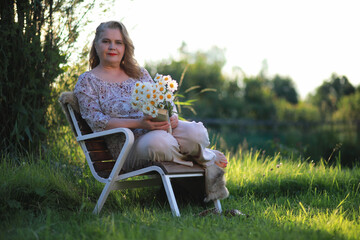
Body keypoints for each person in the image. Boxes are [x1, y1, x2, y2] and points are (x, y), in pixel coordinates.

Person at [74, 21, 229, 202]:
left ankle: (201, 156)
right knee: (160, 142)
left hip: (158, 130)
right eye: (106, 41)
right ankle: (207, 158)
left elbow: (161, 101)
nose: (112, 47)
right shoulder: (87, 81)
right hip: (127, 147)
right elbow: (97, 121)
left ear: (125, 47)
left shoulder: (139, 73)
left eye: (118, 42)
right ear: (96, 44)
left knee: (196, 132)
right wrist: (139, 124)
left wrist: (171, 117)